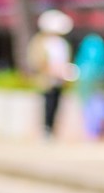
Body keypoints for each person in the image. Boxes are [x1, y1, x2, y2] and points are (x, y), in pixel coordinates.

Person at [26, 9, 74, 139]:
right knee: (46, 103)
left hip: (60, 80)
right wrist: (49, 70)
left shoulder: (63, 44)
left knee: (56, 104)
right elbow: (35, 60)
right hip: (46, 80)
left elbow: (66, 60)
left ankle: (52, 129)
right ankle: (45, 129)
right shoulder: (40, 42)